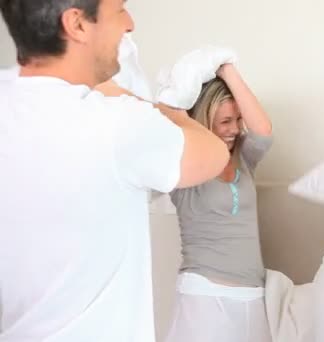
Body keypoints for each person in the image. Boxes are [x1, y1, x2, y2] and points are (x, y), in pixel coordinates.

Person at [0, 0, 230, 340]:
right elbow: (214, 154)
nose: (130, 24)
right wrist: (147, 101)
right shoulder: (117, 124)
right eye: (120, 9)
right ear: (77, 24)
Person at [159, 53, 273, 342]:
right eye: (224, 121)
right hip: (205, 295)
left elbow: (263, 131)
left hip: (253, 294)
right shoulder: (184, 162)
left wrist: (227, 69)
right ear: (204, 120)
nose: (234, 129)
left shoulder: (244, 157)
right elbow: (167, 115)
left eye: (237, 119)